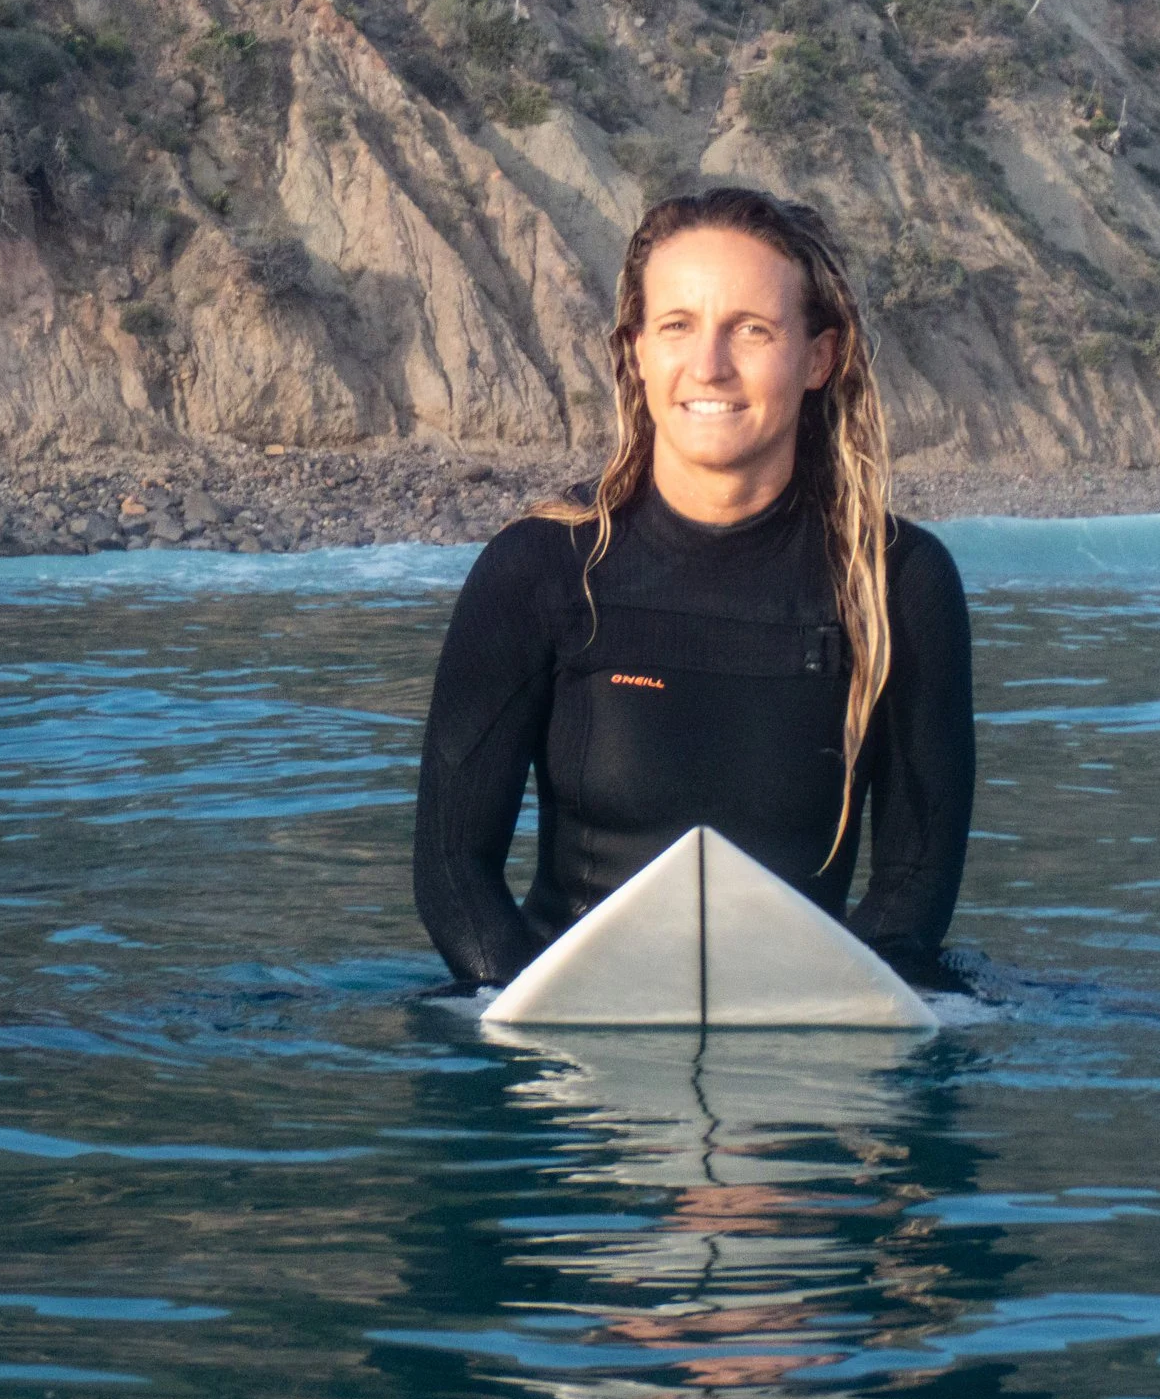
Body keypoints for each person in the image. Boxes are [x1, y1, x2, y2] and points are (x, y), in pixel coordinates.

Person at [412, 187, 975, 989]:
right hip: (561, 1039)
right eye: (677, 325)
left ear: (820, 357)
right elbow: (451, 867)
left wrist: (822, 1025)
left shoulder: (899, 582)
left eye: (751, 329)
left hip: (799, 1033)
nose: (709, 364)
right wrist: (534, 1014)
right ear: (636, 349)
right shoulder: (539, 568)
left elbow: (912, 889)